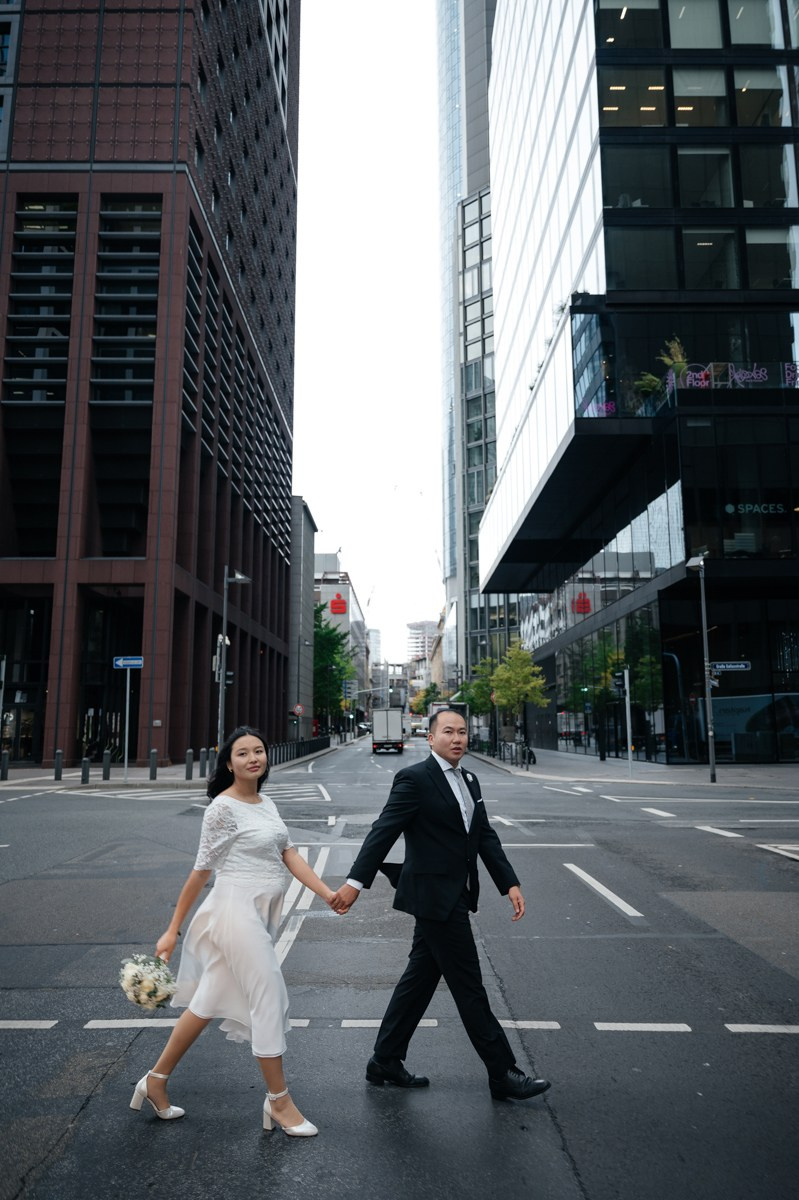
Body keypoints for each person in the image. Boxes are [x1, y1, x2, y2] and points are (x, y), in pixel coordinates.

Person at [331, 708, 551, 1102]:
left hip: (456, 894)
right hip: (435, 899)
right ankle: (502, 1072)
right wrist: (354, 883)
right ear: (430, 738)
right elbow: (384, 831)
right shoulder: (415, 779)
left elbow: (483, 835)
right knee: (470, 988)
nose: (457, 739)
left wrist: (509, 882)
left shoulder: (469, 778)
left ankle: (385, 1059)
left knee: (419, 981)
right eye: (448, 732)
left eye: (462, 732)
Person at [130, 726, 339, 1137]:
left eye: (259, 750)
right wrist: (172, 930)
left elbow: (288, 852)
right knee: (268, 996)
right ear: (229, 763)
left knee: (207, 1001)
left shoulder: (267, 802)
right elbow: (200, 870)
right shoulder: (222, 809)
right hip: (233, 911)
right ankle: (279, 1101)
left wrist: (327, 893)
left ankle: (155, 1080)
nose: (253, 758)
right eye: (243, 753)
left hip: (258, 915)